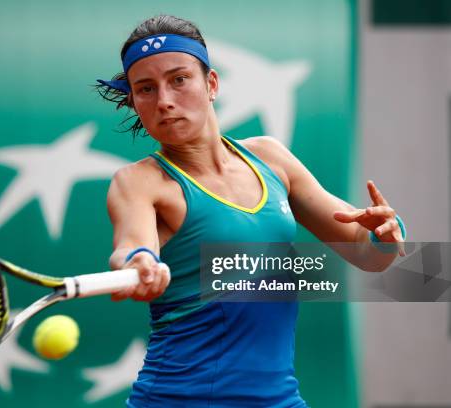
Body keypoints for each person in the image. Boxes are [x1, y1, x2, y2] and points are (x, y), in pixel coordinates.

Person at [97, 14, 406, 408]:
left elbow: (367, 254)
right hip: (176, 400)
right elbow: (131, 245)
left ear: (211, 84)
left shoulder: (270, 157)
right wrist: (138, 261)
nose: (165, 101)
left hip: (278, 399)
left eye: (178, 79)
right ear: (135, 103)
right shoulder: (139, 181)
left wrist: (384, 233)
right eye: (145, 89)